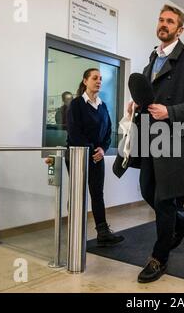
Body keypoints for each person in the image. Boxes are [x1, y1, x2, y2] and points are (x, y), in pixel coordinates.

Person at [128, 5, 184, 283]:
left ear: (180, 29)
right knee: (146, 190)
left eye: (170, 21)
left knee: (164, 200)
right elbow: (150, 97)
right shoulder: (152, 59)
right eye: (161, 20)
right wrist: (136, 105)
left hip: (174, 139)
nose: (164, 24)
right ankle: (182, 223)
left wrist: (171, 112)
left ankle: (159, 257)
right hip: (148, 138)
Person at [67, 68, 124, 247]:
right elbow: (74, 133)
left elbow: (108, 131)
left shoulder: (102, 105)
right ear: (85, 81)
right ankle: (75, 231)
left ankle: (103, 232)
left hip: (97, 156)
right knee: (78, 193)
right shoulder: (76, 104)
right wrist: (94, 150)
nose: (98, 81)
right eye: (94, 78)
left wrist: (103, 149)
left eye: (100, 79)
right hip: (78, 156)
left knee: (97, 194)